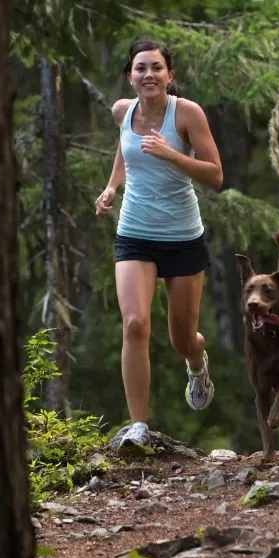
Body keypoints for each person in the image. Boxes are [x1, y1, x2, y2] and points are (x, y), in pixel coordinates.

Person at [95, 38, 223, 454]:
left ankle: (197, 362)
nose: (148, 75)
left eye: (156, 68)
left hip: (183, 237)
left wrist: (171, 154)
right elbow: (125, 148)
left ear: (170, 75)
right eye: (140, 68)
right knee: (135, 324)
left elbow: (215, 175)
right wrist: (112, 187)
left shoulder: (186, 114)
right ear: (129, 76)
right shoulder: (123, 111)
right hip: (134, 233)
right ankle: (138, 426)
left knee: (182, 338)